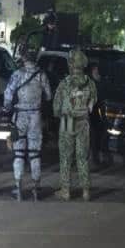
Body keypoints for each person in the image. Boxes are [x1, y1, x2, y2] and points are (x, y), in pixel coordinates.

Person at [3, 49, 51, 201]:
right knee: (35, 153)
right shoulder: (42, 75)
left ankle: (18, 188)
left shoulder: (17, 74)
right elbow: (48, 95)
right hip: (36, 116)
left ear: (24, 59)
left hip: (20, 117)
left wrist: (7, 107)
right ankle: (36, 187)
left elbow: (8, 95)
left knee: (18, 153)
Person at [53, 50, 97, 202]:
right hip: (84, 121)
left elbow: (56, 108)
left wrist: (60, 113)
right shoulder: (90, 83)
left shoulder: (64, 83)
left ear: (71, 64)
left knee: (66, 156)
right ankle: (86, 191)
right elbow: (93, 103)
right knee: (82, 156)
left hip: (68, 120)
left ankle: (66, 191)